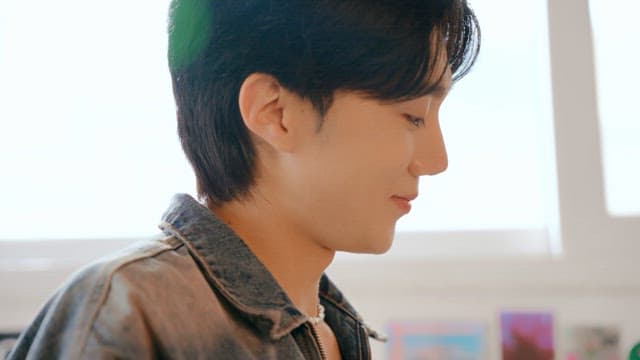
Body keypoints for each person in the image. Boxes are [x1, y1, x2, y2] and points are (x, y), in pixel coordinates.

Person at [8, 0, 480, 359]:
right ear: (275, 112)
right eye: (413, 116)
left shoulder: (333, 328)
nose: (436, 160)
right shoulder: (128, 312)